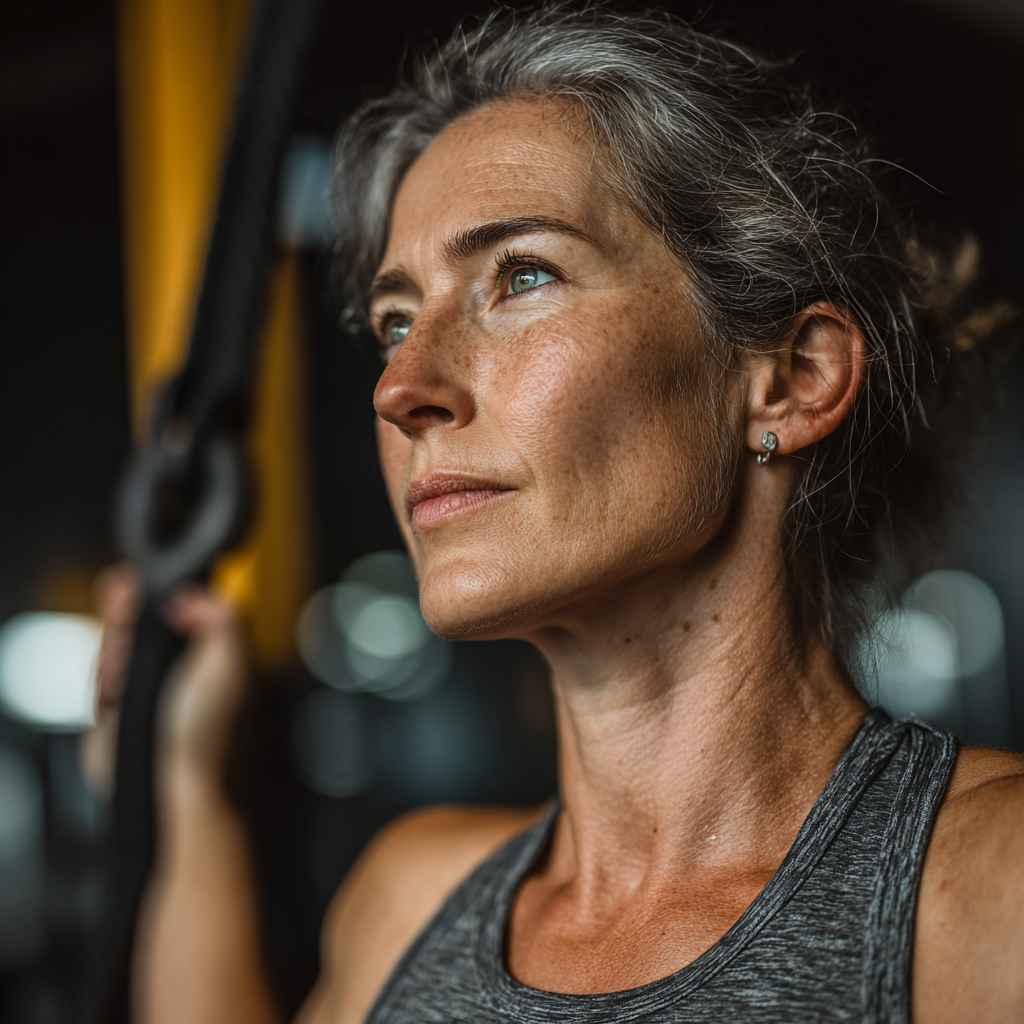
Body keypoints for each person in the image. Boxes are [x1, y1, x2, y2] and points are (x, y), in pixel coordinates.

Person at [105, 6, 1022, 1023]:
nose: (399, 386)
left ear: (790, 380)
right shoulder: (406, 903)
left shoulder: (988, 893)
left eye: (522, 275)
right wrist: (187, 792)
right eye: (394, 321)